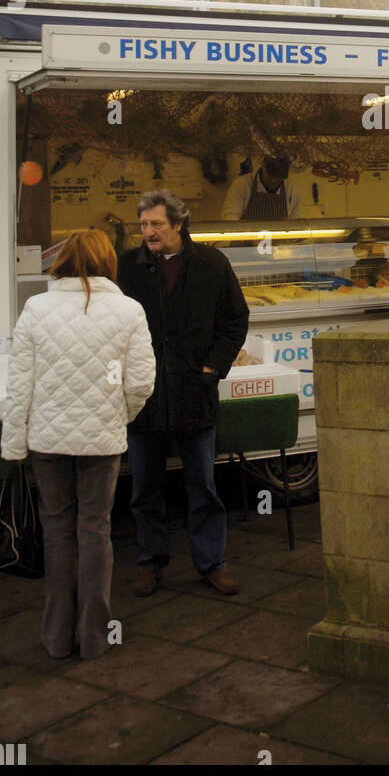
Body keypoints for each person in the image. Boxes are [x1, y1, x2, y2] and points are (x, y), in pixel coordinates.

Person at [0, 230, 155, 660]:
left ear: (63, 260)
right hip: (101, 442)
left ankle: (55, 636)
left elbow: (20, 383)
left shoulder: (37, 307)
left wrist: (14, 442)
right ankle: (95, 636)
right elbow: (141, 382)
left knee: (57, 531)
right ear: (108, 262)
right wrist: (115, 415)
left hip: (47, 439)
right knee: (94, 530)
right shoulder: (128, 310)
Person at [117, 190, 249, 597]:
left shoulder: (211, 264)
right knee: (144, 488)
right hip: (145, 399)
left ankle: (212, 563)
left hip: (195, 393)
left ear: (178, 224)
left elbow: (235, 319)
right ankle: (150, 562)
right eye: (143, 225)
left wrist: (213, 366)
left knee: (204, 486)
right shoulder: (126, 268)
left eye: (156, 224)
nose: (148, 232)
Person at [221, 154, 301, 220]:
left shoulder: (291, 190)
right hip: (246, 238)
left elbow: (295, 224)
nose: (273, 181)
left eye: (278, 180)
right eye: (270, 177)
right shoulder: (242, 184)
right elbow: (230, 218)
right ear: (263, 165)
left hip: (278, 239)